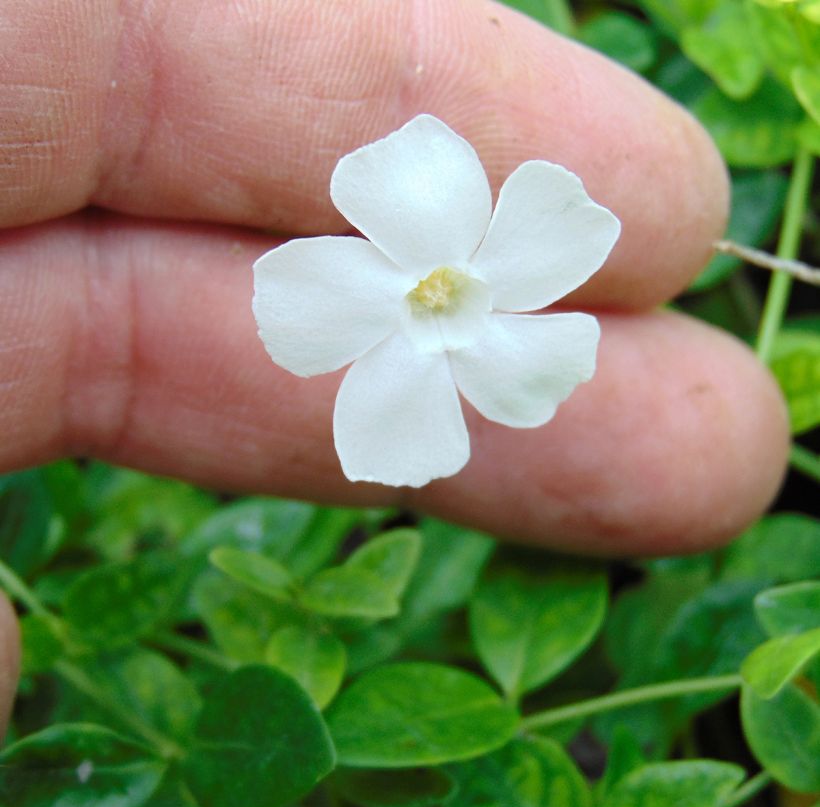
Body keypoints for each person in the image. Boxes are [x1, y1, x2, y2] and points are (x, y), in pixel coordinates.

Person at [0, 0, 789, 735]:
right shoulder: (352, 260)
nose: (436, 288)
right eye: (433, 288)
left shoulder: (527, 259)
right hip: (406, 308)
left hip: (453, 331)